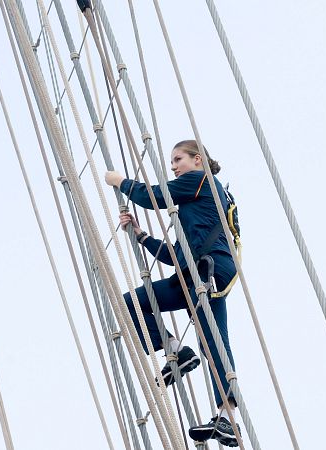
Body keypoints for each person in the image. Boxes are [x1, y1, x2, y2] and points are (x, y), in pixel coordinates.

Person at [104, 140, 241, 447]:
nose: (174, 166)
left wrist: (120, 182)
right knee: (132, 304)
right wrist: (141, 236)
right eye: (173, 162)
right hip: (191, 272)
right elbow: (175, 257)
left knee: (214, 340)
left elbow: (152, 196)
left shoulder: (202, 180)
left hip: (210, 271)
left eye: (179, 159)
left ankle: (228, 416)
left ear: (197, 160)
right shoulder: (193, 209)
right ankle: (176, 352)